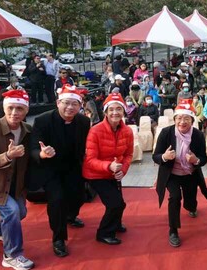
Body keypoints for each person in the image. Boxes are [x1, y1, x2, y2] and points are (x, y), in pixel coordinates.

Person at [28, 84, 91, 257]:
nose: (70, 107)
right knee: (57, 201)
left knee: (79, 196)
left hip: (73, 166)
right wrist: (41, 153)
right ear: (58, 103)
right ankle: (58, 238)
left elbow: (88, 144)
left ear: (80, 106)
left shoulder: (84, 121)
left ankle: (71, 216)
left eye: (74, 104)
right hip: (51, 168)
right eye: (66, 103)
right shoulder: (42, 120)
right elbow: (33, 146)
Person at [0, 90, 34, 270]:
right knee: (11, 211)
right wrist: (7, 156)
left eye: (19, 108)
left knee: (21, 212)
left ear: (26, 111)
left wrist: (43, 153)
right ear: (4, 108)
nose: (14, 112)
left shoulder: (28, 130)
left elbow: (33, 154)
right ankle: (12, 255)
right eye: (10, 108)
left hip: (14, 184)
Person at [153, 101, 207, 247]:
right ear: (174, 120)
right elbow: (156, 155)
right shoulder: (166, 133)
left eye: (186, 118)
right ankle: (173, 230)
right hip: (171, 173)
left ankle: (191, 207)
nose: (182, 122)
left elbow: (204, 159)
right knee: (174, 197)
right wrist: (165, 157)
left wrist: (196, 160)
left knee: (190, 200)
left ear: (192, 120)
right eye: (179, 118)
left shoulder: (197, 135)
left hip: (190, 173)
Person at [83, 93, 133, 245]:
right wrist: (108, 166)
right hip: (95, 174)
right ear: (105, 112)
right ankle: (104, 233)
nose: (115, 113)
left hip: (114, 173)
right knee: (115, 204)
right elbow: (90, 160)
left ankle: (116, 224)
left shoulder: (127, 131)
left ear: (124, 111)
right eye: (111, 109)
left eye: (119, 109)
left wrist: (122, 170)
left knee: (120, 203)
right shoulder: (95, 131)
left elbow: (128, 154)